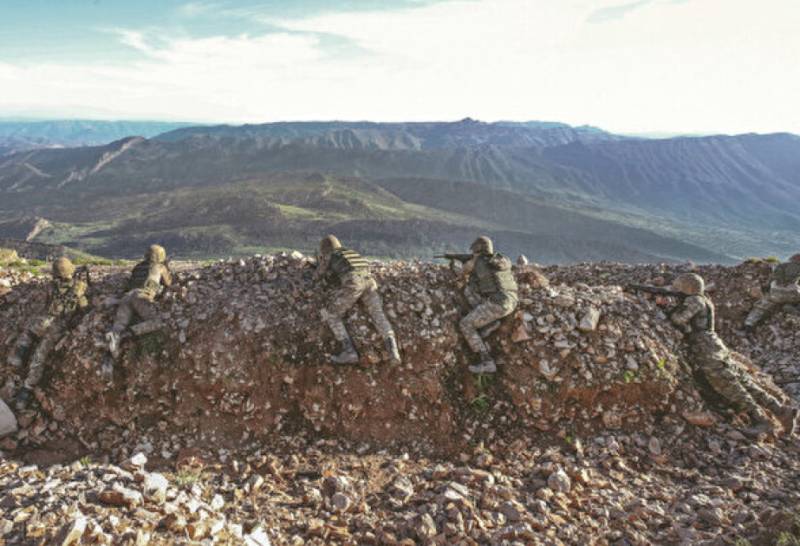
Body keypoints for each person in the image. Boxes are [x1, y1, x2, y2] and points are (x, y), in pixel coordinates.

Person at [669, 273, 798, 437]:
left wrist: (668, 308)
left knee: (729, 386)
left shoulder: (694, 300)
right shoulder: (704, 299)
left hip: (706, 350)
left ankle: (761, 421)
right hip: (715, 345)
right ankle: (780, 410)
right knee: (745, 381)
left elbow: (679, 319)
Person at [7, 257, 88, 409]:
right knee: (40, 355)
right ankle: (26, 391)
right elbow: (83, 307)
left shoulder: (51, 286)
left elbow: (44, 303)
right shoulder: (79, 287)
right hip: (60, 325)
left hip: (46, 319)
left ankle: (19, 356)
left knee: (29, 334)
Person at [315, 235, 401, 365]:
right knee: (378, 314)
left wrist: (318, 264)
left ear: (325, 249)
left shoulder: (331, 255)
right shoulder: (351, 253)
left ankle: (349, 352)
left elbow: (318, 276)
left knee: (331, 314)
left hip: (353, 284)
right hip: (370, 283)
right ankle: (393, 351)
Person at [458, 236, 518, 374]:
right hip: (512, 301)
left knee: (465, 324)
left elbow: (463, 275)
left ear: (478, 249)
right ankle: (490, 323)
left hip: (497, 304)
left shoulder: (478, 262)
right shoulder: (501, 260)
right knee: (470, 293)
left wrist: (465, 267)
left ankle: (487, 361)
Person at [106, 244, 172, 357]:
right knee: (157, 322)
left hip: (127, 296)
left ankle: (115, 336)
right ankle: (128, 334)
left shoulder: (138, 267)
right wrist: (167, 268)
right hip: (141, 296)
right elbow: (169, 283)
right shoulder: (160, 267)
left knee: (119, 324)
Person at [744, 254, 800, 329]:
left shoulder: (780, 266)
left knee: (762, 305)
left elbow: (769, 283)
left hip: (775, 293)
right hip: (793, 294)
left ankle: (749, 323)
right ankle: (794, 309)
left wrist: (766, 290)